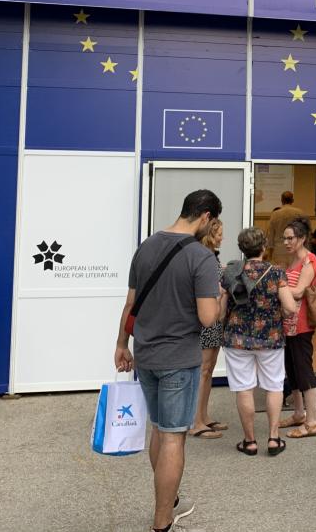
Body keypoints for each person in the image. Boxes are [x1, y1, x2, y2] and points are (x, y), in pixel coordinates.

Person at [114, 189, 222, 532]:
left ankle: (168, 497)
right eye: (215, 221)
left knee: (160, 430)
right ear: (205, 217)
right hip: (179, 358)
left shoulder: (146, 246)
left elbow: (130, 304)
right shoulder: (202, 258)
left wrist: (121, 344)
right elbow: (207, 319)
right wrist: (218, 299)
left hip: (145, 355)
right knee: (174, 436)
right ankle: (162, 521)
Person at [221, 227, 297, 456]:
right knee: (274, 386)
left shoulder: (231, 272)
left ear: (242, 248)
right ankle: (274, 438)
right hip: (270, 338)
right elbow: (291, 307)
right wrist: (280, 314)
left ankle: (250, 441)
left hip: (237, 338)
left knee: (244, 388)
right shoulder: (276, 273)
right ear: (264, 247)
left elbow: (220, 311)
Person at [278, 218, 316, 438]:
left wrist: (277, 284)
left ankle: (312, 422)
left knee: (304, 371)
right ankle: (298, 413)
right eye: (284, 238)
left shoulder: (309, 260)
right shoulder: (293, 260)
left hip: (302, 324)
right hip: (288, 325)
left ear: (302, 238)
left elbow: (299, 291)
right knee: (292, 370)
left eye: (290, 238)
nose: (286, 242)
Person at [190, 219, 228, 439]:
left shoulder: (211, 255)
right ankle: (196, 421)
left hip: (214, 319)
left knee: (209, 369)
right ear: (211, 235)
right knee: (203, 370)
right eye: (220, 233)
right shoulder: (204, 256)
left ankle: (203, 416)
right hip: (206, 318)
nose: (223, 237)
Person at [265, 191, 307, 267]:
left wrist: (270, 252)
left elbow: (270, 234)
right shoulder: (300, 213)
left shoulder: (275, 214)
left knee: (280, 277)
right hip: (295, 249)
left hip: (279, 250)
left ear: (281, 200)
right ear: (292, 200)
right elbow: (304, 232)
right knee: (294, 277)